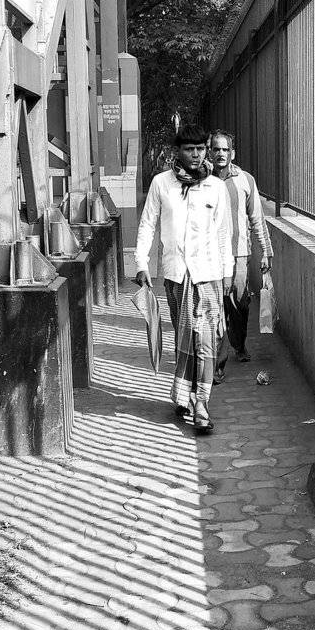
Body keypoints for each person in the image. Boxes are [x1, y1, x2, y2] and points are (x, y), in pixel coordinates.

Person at [134, 124, 233, 435]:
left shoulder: (215, 187)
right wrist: (141, 263)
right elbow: (147, 224)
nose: (196, 154)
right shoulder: (161, 184)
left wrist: (228, 272)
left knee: (206, 340)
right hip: (176, 275)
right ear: (177, 151)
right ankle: (183, 394)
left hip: (209, 275)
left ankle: (201, 403)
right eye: (190, 149)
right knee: (184, 336)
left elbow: (223, 233)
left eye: (200, 149)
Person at [208, 130, 272, 381]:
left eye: (225, 149)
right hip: (210, 257)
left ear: (232, 153)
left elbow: (257, 218)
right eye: (216, 149)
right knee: (215, 309)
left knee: (240, 304)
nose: (221, 153)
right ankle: (217, 363)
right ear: (210, 152)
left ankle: (239, 342)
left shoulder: (246, 180)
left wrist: (266, 251)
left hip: (239, 255)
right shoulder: (201, 180)